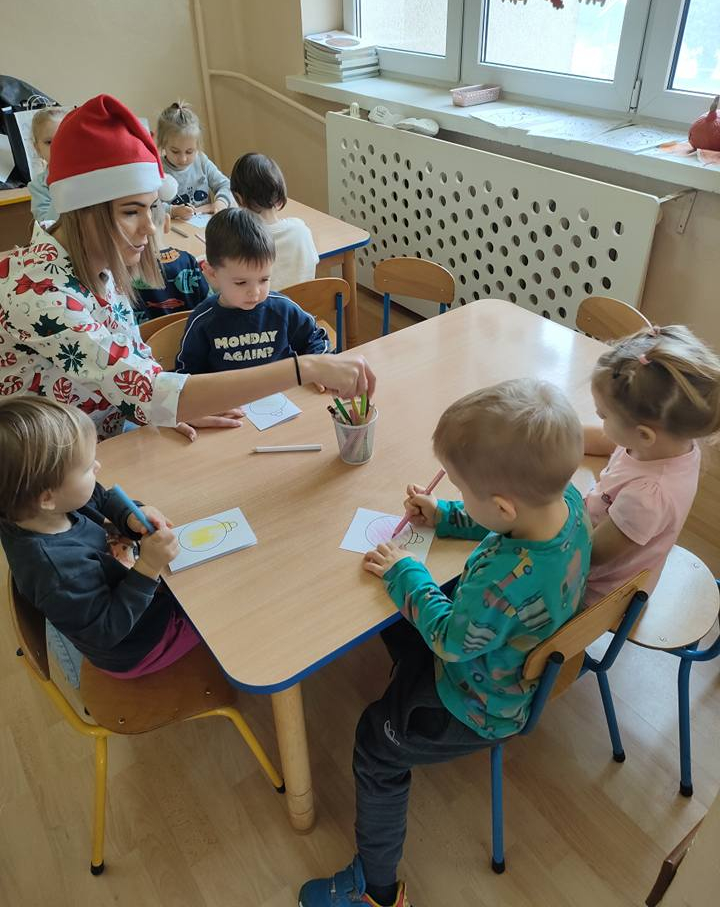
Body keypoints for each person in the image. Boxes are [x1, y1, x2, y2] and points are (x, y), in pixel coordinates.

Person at [299, 379, 592, 907]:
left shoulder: (502, 584)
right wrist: (448, 515)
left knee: (375, 742)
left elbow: (449, 641)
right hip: (494, 653)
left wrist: (407, 573)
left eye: (461, 488)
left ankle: (376, 891)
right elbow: (501, 528)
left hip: (478, 701)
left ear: (502, 506)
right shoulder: (565, 501)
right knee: (390, 616)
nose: (456, 490)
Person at [0, 94, 374, 440]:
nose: (149, 228)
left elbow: (136, 367)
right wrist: (306, 367)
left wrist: (172, 404)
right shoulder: (39, 294)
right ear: (83, 211)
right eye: (130, 211)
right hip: (49, 467)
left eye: (151, 207)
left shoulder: (95, 261)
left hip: (108, 443)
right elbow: (145, 390)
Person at [0, 395, 196, 677]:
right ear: (47, 498)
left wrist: (131, 515)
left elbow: (99, 497)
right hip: (141, 645)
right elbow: (106, 630)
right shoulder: (59, 572)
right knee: (220, 613)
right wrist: (149, 566)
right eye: (87, 467)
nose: (98, 467)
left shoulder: (29, 508)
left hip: (130, 588)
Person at [583, 324, 720, 603]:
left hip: (595, 595)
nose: (599, 419)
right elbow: (602, 441)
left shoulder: (647, 497)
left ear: (644, 435)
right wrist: (551, 437)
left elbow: (590, 554)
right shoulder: (665, 445)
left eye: (604, 415)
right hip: (591, 538)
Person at [176, 208, 329, 374]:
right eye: (241, 282)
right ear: (212, 274)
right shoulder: (202, 321)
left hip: (285, 389)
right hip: (230, 391)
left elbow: (316, 339)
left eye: (264, 279)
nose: (255, 292)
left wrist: (321, 369)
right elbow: (187, 375)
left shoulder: (283, 310)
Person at [231, 152, 318, 289]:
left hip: (265, 304)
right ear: (279, 191)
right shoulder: (300, 229)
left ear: (239, 198)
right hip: (303, 302)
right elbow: (313, 263)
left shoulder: (238, 241)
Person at [132, 180, 210, 324]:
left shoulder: (127, 270)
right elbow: (207, 304)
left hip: (149, 337)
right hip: (189, 333)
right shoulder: (187, 261)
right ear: (167, 223)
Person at [156, 101, 234, 220]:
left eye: (189, 151)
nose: (183, 159)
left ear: (197, 146)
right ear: (163, 145)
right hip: (175, 227)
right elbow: (151, 206)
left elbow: (225, 185)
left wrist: (221, 202)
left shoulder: (201, 161)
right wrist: (173, 211)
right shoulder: (158, 170)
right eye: (175, 151)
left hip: (204, 225)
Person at [27, 106, 69, 223]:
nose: (56, 147)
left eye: (63, 139)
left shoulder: (88, 174)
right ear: (37, 149)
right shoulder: (38, 187)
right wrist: (64, 188)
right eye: (49, 142)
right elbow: (46, 224)